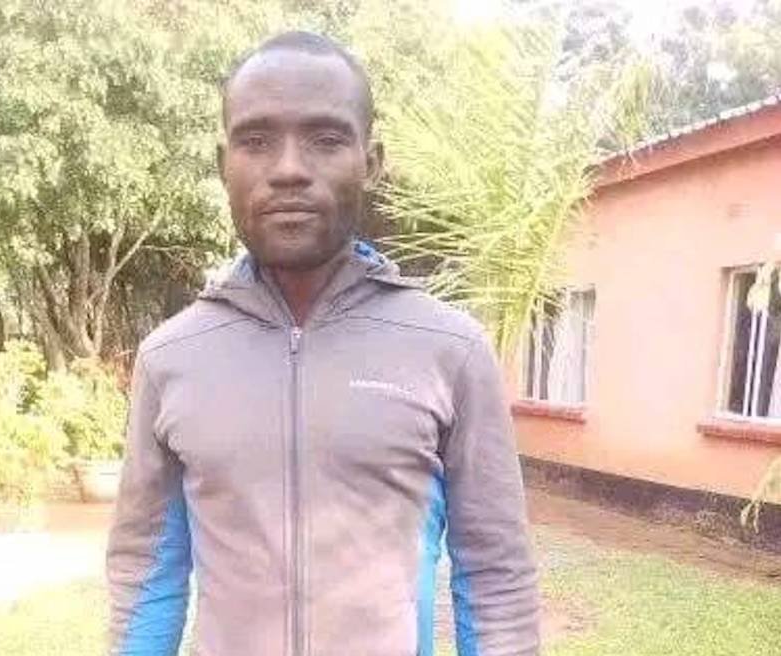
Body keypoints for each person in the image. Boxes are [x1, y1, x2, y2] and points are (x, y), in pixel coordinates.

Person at [107, 31, 539, 656]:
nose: (288, 168)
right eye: (256, 141)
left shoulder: (449, 350)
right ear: (223, 163)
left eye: (326, 139)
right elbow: (147, 575)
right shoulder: (171, 358)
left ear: (372, 161)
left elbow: (496, 577)